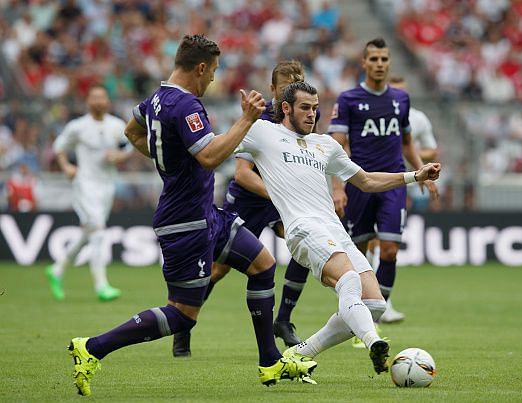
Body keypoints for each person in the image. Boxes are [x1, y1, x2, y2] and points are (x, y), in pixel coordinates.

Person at [66, 35, 316, 397]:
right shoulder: (186, 105)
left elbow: (131, 131)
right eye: (212, 71)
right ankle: (92, 347)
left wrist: (168, 160)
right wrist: (245, 120)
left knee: (262, 265)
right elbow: (211, 156)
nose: (213, 78)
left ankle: (269, 361)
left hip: (206, 214)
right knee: (182, 314)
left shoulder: (155, 98)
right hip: (185, 221)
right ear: (200, 67)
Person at [238, 81, 441, 377]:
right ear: (285, 108)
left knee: (374, 304)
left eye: (315, 108)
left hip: (335, 230)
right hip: (302, 229)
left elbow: (367, 181)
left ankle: (298, 354)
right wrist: (244, 118)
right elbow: (212, 148)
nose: (312, 114)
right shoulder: (263, 133)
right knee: (348, 280)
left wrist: (415, 175)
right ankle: (374, 342)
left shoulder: (326, 145)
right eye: (305, 108)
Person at [171, 61, 317, 357]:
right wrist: (281, 193)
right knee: (218, 270)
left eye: (297, 84)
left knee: (307, 242)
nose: (292, 92)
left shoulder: (307, 115)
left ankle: (284, 321)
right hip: (248, 201)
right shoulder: (259, 119)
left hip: (278, 203)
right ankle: (184, 324)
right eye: (286, 87)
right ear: (273, 89)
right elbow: (242, 174)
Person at [327, 38, 438, 334]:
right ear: (363, 63)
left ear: (389, 63)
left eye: (384, 59)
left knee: (389, 251)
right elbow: (334, 148)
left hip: (393, 184)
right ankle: (356, 317)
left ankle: (373, 320)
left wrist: (420, 172)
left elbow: (406, 141)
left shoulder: (400, 99)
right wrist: (337, 188)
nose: (379, 64)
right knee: (357, 256)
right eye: (373, 59)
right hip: (359, 186)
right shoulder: (348, 99)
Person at [45, 84, 132, 302]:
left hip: (107, 186)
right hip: (85, 184)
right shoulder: (78, 126)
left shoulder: (116, 125)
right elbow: (59, 147)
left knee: (89, 233)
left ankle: (57, 269)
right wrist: (66, 166)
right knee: (98, 232)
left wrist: (119, 158)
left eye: (102, 97)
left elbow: (129, 147)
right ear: (88, 102)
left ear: (107, 101)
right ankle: (102, 286)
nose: (99, 101)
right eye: (94, 97)